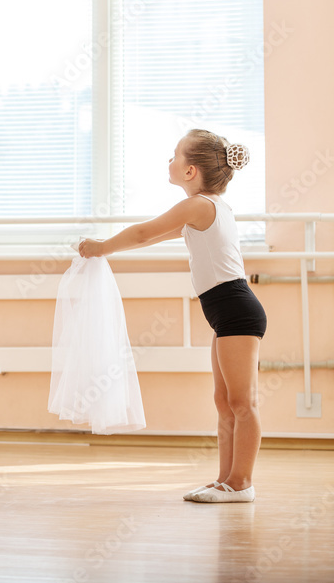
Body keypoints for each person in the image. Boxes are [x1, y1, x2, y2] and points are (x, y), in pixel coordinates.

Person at [79, 129, 265, 503]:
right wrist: (107, 250)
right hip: (226, 311)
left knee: (243, 401)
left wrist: (102, 247)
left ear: (190, 171)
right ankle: (225, 479)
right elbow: (151, 238)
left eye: (174, 156)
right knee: (224, 399)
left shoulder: (200, 205)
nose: (169, 162)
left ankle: (242, 483)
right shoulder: (205, 208)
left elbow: (144, 230)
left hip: (235, 309)